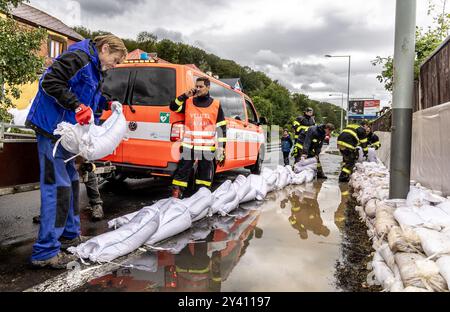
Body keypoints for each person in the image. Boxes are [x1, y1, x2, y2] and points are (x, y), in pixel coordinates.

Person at [25, 35, 127, 268]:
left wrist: (108, 104)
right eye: (115, 59)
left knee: (71, 183)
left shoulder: (95, 67)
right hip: (51, 130)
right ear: (104, 48)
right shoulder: (78, 58)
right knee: (57, 187)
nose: (115, 64)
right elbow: (49, 82)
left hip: (66, 136)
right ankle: (45, 252)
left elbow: (91, 97)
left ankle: (69, 236)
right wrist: (76, 105)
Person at [169, 77, 227, 198]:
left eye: (201, 87)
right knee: (182, 172)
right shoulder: (188, 102)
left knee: (205, 176)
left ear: (208, 87)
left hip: (207, 148)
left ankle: (202, 197)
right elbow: (173, 106)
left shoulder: (216, 105)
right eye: (197, 86)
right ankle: (176, 195)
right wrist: (185, 95)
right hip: (188, 146)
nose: (198, 89)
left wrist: (221, 148)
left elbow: (221, 128)